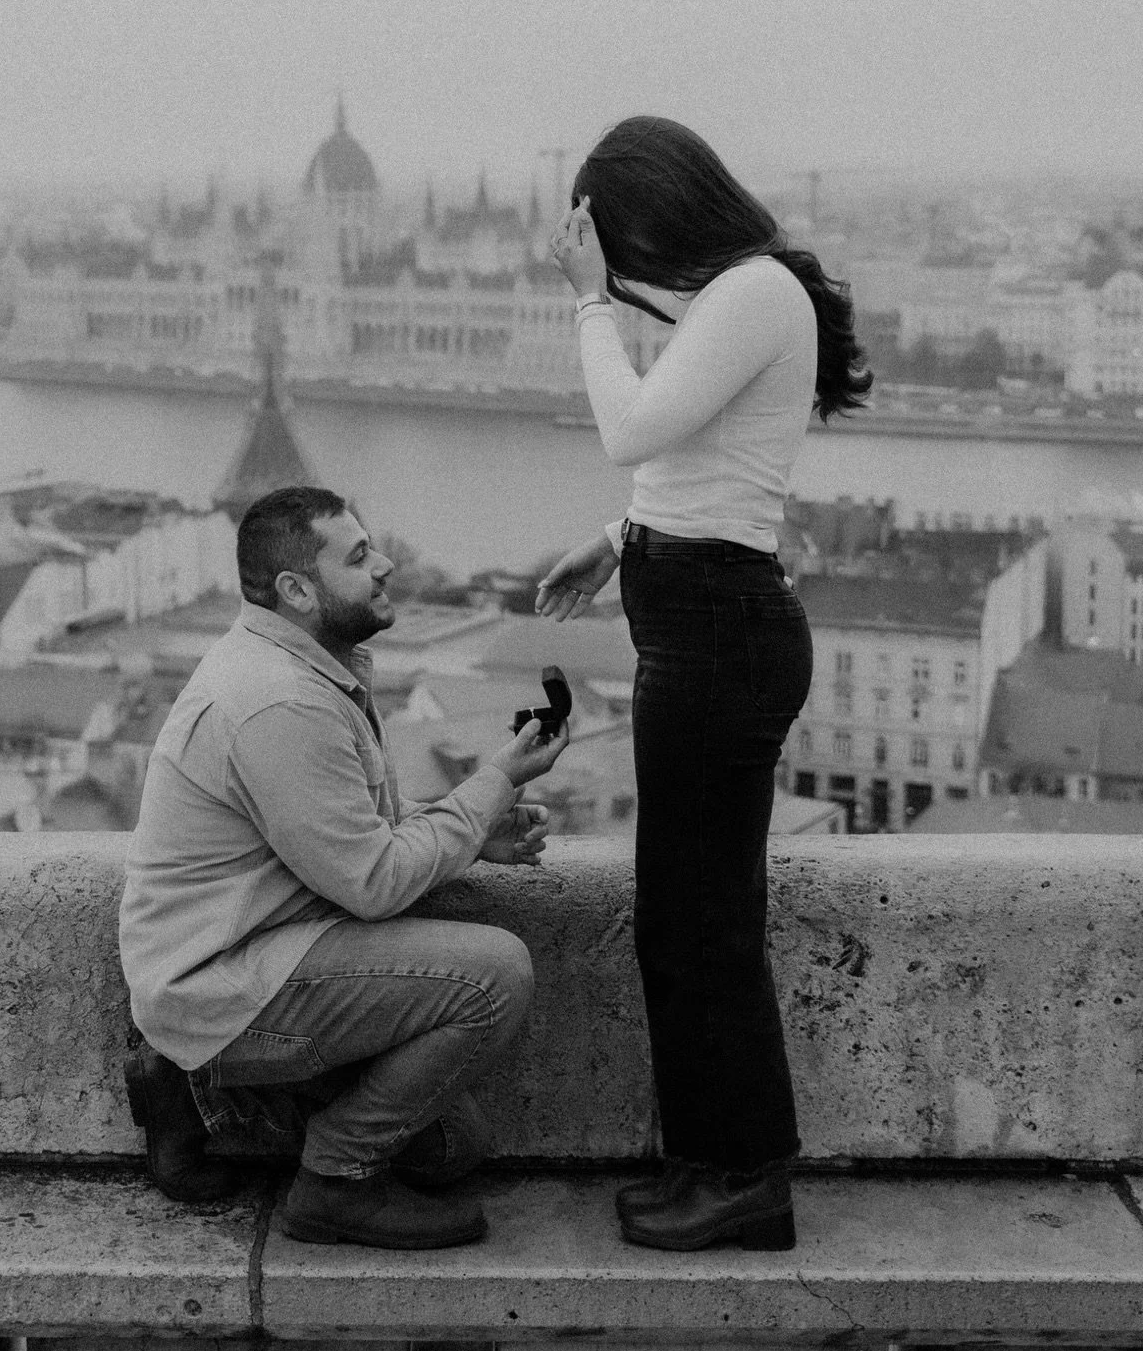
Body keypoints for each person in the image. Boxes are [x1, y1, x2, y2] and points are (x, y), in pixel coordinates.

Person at [540, 116, 871, 1252]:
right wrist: (618, 540)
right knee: (682, 917)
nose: (625, 268)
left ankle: (743, 1175)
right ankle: (711, 1160)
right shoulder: (743, 294)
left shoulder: (752, 292)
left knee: (703, 922)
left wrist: (590, 303)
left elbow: (633, 429)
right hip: (704, 622)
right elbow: (709, 466)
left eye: (617, 241)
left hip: (719, 635)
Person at [119, 484, 568, 1250]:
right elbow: (375, 883)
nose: (385, 564)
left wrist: (470, 831)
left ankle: (199, 1091)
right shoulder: (279, 701)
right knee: (496, 974)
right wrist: (493, 785)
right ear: (297, 590)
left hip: (272, 945)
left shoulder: (302, 665)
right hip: (220, 976)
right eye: (359, 557)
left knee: (450, 1150)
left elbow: (349, 830)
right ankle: (335, 1182)